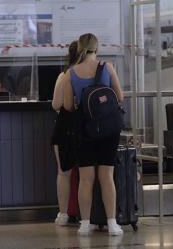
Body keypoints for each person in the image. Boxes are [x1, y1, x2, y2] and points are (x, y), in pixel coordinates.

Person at [62, 33, 124, 236]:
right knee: (107, 176)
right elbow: (120, 96)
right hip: (108, 129)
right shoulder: (107, 67)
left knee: (86, 178)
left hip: (85, 130)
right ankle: (112, 223)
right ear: (97, 48)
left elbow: (68, 106)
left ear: (80, 48)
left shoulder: (70, 73)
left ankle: (85, 224)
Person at [51, 41, 79, 226]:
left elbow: (55, 104)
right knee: (87, 173)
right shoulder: (96, 73)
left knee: (63, 172)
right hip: (88, 128)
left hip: (65, 127)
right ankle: (87, 213)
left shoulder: (64, 75)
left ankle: (63, 214)